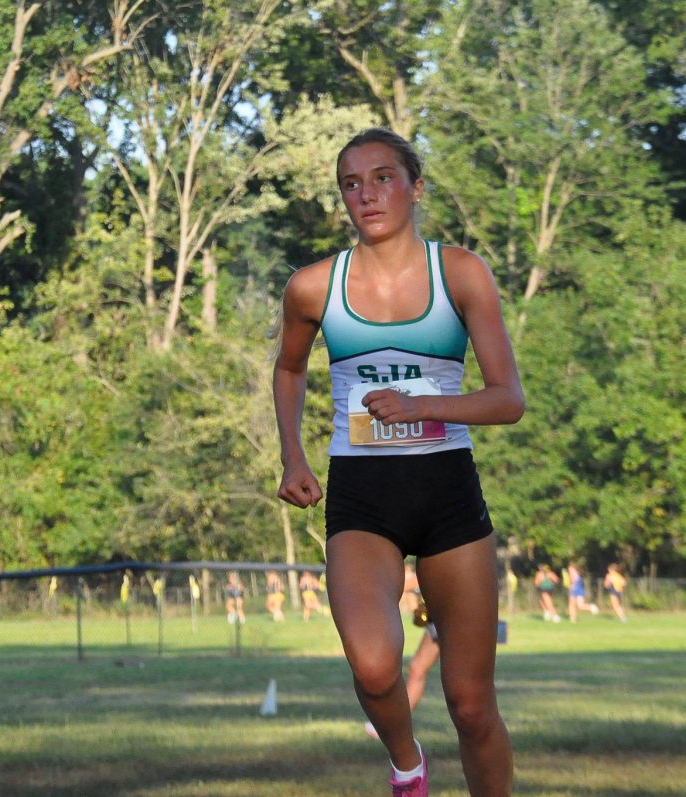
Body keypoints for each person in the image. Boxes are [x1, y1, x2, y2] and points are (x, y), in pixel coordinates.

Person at [274, 127, 523, 796]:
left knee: (471, 706)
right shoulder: (313, 287)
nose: (366, 194)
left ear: (415, 187)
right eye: (351, 183)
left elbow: (508, 399)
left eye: (383, 177)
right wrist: (293, 453)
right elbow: (290, 368)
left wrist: (422, 404)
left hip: (448, 492)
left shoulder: (462, 273)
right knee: (376, 666)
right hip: (362, 496)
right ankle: (408, 765)